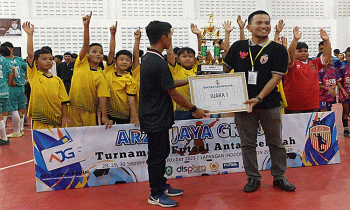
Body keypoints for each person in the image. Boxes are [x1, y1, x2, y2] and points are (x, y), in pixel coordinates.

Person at [223, 10, 295, 192]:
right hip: (242, 104)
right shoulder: (238, 46)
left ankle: (279, 176)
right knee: (248, 144)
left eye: (267, 22)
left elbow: (276, 78)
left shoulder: (277, 49)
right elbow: (225, 69)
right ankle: (253, 178)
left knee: (276, 142)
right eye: (259, 23)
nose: (264, 26)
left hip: (269, 103)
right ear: (249, 27)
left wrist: (259, 98)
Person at [140, 20, 208, 207]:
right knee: (157, 156)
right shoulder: (156, 61)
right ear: (163, 38)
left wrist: (189, 81)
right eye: (170, 35)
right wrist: (194, 109)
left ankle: (162, 185)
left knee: (161, 152)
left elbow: (168, 84)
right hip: (155, 117)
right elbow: (172, 92)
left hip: (157, 115)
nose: (171, 38)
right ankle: (155, 193)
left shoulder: (152, 58)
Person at [22, 21, 70, 130]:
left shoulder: (57, 80)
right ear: (36, 62)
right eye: (44, 59)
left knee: (57, 145)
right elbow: (30, 54)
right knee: (40, 145)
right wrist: (30, 35)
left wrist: (65, 116)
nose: (48, 61)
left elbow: (64, 101)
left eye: (51, 59)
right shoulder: (34, 75)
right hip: (40, 118)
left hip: (56, 118)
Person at [68, 12, 112, 128]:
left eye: (101, 53)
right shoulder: (80, 64)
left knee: (88, 139)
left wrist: (104, 115)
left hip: (90, 111)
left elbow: (102, 96)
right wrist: (86, 26)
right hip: (73, 109)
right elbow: (86, 44)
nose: (98, 55)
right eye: (94, 52)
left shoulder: (100, 74)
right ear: (87, 54)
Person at [284, 26, 331, 113]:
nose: (303, 53)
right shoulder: (291, 64)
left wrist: (326, 41)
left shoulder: (314, 63)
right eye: (300, 51)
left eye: (305, 51)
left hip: (312, 106)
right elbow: (290, 56)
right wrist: (295, 40)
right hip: (293, 107)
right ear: (294, 52)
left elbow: (327, 57)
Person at [105, 21, 139, 126]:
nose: (124, 62)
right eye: (121, 59)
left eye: (127, 60)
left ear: (130, 64)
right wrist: (112, 35)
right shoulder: (109, 70)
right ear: (115, 61)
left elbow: (131, 98)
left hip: (124, 114)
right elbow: (111, 51)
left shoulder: (130, 79)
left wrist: (134, 116)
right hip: (108, 114)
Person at [166, 45, 200, 120]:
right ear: (178, 60)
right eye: (184, 57)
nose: (187, 59)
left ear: (194, 60)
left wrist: (199, 35)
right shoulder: (176, 69)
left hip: (197, 109)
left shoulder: (196, 68)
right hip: (181, 110)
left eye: (190, 56)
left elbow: (201, 53)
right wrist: (169, 37)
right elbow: (169, 53)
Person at [0, 45, 27, 138]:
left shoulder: (4, 60)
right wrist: (25, 78)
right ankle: (20, 129)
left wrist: (10, 82)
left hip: (12, 87)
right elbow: (28, 68)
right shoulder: (19, 60)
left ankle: (16, 131)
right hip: (21, 86)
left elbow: (12, 70)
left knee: (13, 109)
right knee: (21, 108)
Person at [0, 48, 13, 145]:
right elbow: (11, 72)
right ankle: (3, 135)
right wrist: (7, 85)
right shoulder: (4, 59)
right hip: (4, 90)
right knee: (4, 113)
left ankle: (3, 137)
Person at [336, 48, 350, 137]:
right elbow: (338, 81)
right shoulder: (342, 69)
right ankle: (346, 129)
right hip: (346, 94)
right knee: (345, 111)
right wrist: (343, 91)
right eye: (348, 56)